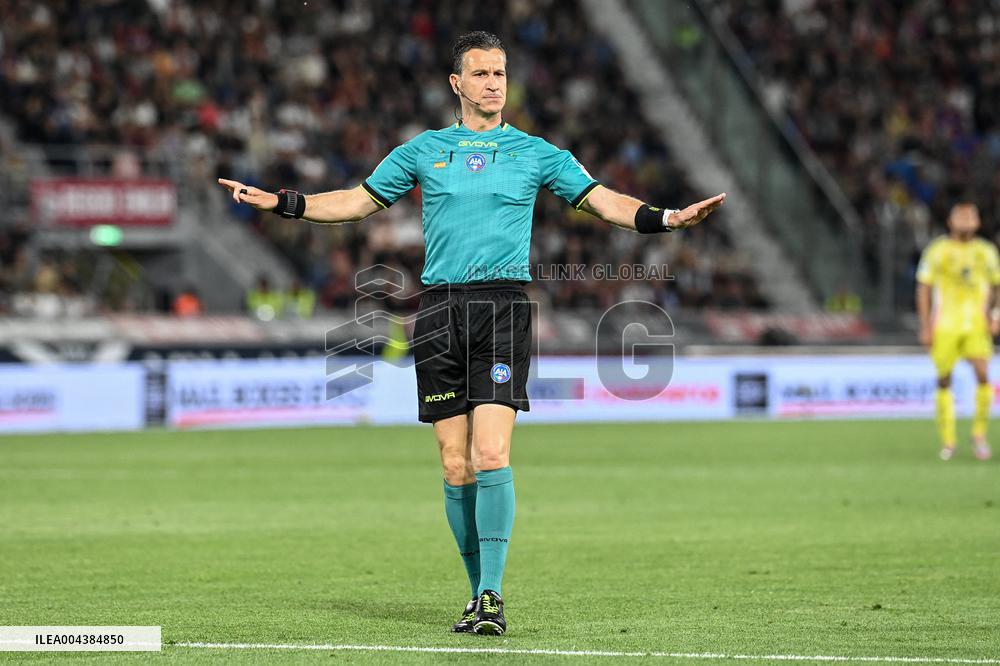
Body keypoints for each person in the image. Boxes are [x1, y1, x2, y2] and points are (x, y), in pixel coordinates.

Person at [218, 31, 725, 636]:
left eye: (501, 73)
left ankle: (492, 596)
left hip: (502, 308)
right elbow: (356, 202)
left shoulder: (535, 153)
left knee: (491, 454)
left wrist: (666, 219)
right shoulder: (424, 150)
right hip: (438, 312)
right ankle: (475, 595)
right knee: (454, 463)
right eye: (481, 73)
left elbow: (602, 201)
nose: (494, 83)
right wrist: (285, 203)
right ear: (457, 84)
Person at [916, 202, 998, 461]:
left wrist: (995, 315)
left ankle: (979, 435)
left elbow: (997, 286)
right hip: (945, 323)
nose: (965, 220)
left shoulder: (986, 251)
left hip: (976, 322)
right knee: (943, 379)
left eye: (970, 216)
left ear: (977, 222)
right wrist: (926, 325)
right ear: (950, 221)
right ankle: (949, 440)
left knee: (983, 374)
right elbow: (924, 288)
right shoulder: (937, 250)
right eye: (960, 216)